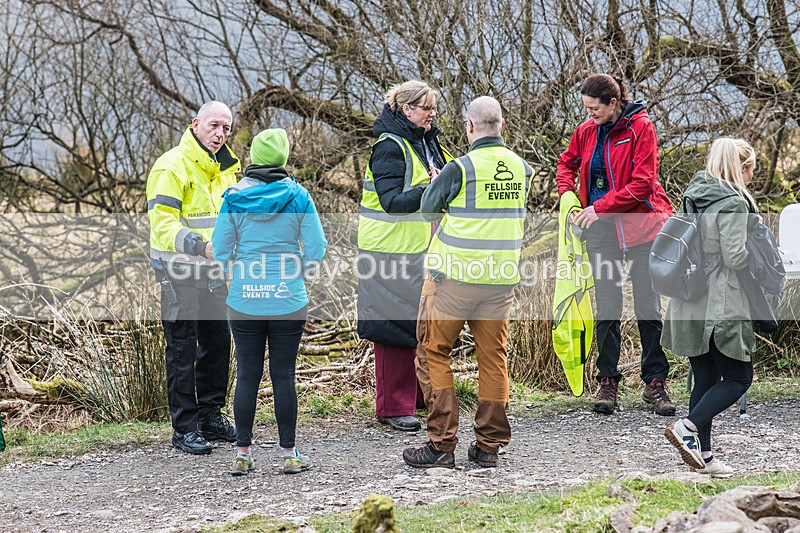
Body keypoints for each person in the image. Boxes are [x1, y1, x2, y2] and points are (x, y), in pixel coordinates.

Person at [403, 96, 533, 468]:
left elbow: (428, 208)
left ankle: (441, 444)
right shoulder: (523, 168)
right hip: (501, 280)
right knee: (494, 360)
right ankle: (489, 447)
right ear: (502, 125)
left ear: (469, 127)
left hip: (453, 279)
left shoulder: (460, 167)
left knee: (432, 353)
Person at [556, 74, 675, 416]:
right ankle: (607, 380)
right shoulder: (585, 131)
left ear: (613, 103)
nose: (589, 115)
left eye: (594, 109)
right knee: (607, 306)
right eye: (586, 109)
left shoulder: (641, 128)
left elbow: (643, 183)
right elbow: (566, 163)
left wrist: (599, 207)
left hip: (642, 227)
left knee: (647, 306)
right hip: (602, 231)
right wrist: (568, 195)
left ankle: (655, 383)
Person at [212, 128, 327, 475]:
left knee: (247, 374)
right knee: (283, 376)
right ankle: (289, 454)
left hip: (244, 298)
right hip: (288, 300)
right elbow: (318, 247)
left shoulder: (233, 197)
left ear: (254, 157)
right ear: (283, 157)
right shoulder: (299, 195)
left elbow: (218, 250)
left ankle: (242, 454)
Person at [356, 80, 450, 432]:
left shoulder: (427, 141)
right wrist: (432, 189)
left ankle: (418, 398)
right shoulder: (389, 147)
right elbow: (392, 203)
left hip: (420, 249)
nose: (432, 113)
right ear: (406, 110)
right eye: (426, 107)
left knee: (420, 324)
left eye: (433, 107)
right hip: (387, 251)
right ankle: (393, 407)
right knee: (392, 327)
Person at [146, 101, 239, 454]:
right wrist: (201, 246)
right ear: (196, 124)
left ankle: (209, 416)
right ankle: (184, 427)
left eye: (226, 128)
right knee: (182, 350)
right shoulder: (171, 166)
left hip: (215, 274)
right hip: (178, 273)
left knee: (217, 346)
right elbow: (163, 223)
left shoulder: (226, 168)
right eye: (214, 125)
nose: (220, 134)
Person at [662, 137, 758, 477]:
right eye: (751, 172)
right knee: (738, 377)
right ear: (742, 168)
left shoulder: (695, 193)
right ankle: (687, 427)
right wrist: (759, 255)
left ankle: (703, 456)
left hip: (689, 298)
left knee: (704, 377)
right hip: (721, 298)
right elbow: (734, 256)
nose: (751, 180)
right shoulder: (733, 203)